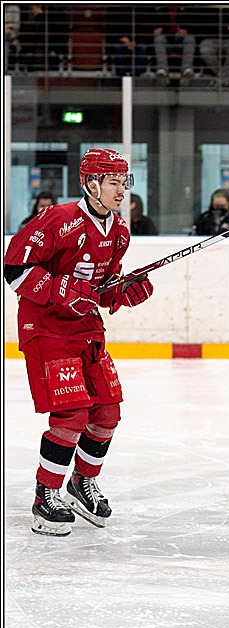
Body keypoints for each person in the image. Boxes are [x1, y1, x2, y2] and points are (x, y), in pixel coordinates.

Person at [3, 149, 154, 536]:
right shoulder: (59, 219)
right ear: (90, 183)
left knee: (107, 412)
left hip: (87, 329)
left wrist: (122, 292)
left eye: (125, 182)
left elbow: (98, 291)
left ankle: (81, 484)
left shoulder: (119, 229)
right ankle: (45, 495)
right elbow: (14, 268)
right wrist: (58, 290)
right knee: (72, 415)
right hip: (47, 329)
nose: (121, 190)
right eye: (113, 182)